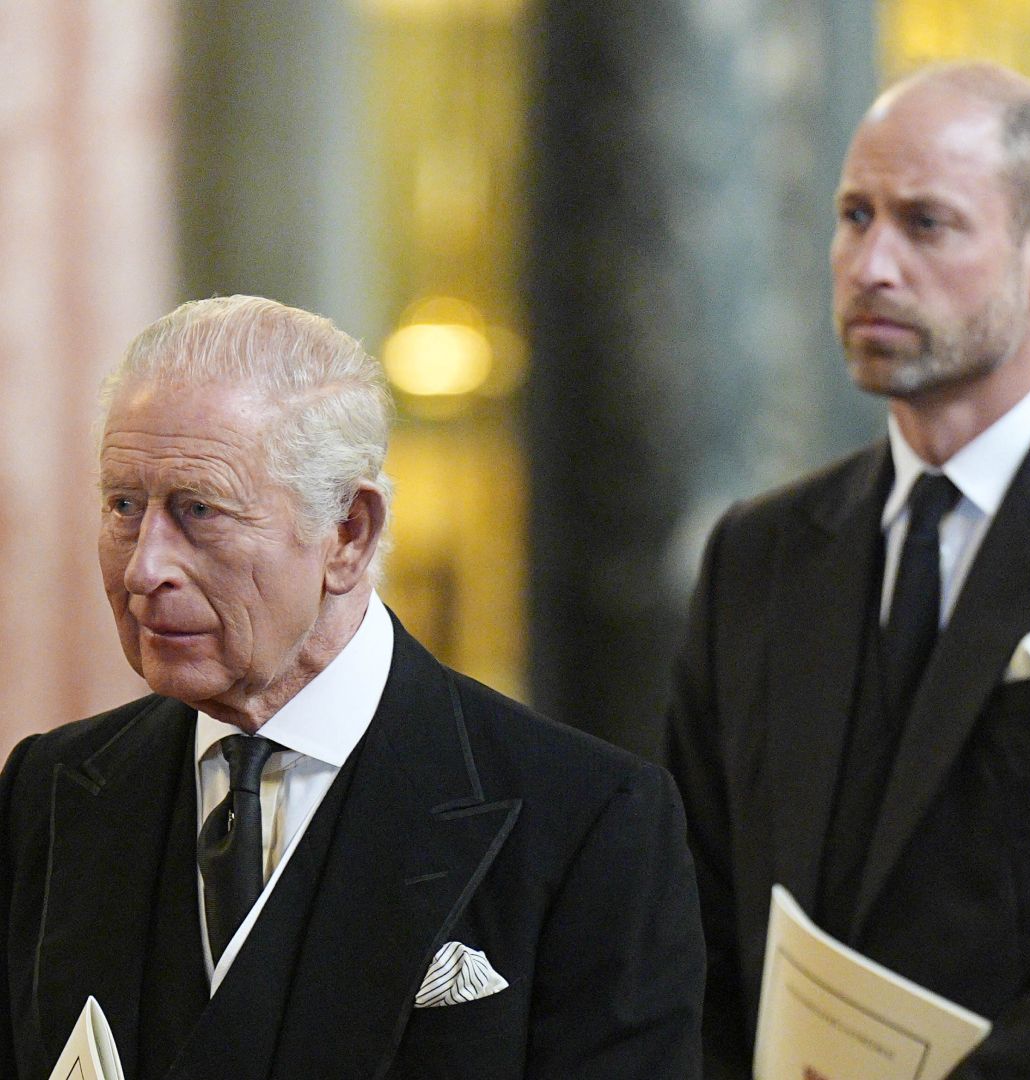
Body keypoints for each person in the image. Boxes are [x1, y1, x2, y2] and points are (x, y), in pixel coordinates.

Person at [0, 295, 705, 1080]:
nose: (144, 567)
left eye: (199, 510)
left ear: (348, 533)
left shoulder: (586, 821)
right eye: (125, 507)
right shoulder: (50, 792)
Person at [666, 61, 1030, 1078]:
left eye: (925, 223)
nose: (871, 265)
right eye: (854, 216)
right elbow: (692, 906)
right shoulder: (757, 553)